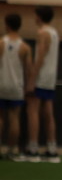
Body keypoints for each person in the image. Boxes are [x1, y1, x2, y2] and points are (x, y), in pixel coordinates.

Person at [25, 5, 60, 163]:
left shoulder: (42, 32)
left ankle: (33, 148)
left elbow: (40, 57)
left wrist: (32, 79)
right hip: (51, 77)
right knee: (48, 113)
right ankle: (52, 148)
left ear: (39, 17)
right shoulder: (54, 32)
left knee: (32, 110)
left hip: (41, 76)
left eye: (36, 15)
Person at [0, 13, 33, 160]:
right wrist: (29, 86)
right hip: (16, 86)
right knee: (14, 118)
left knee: (0, 117)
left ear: (7, 25)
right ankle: (11, 150)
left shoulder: (1, 43)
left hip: (2, 84)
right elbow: (29, 69)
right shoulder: (25, 47)